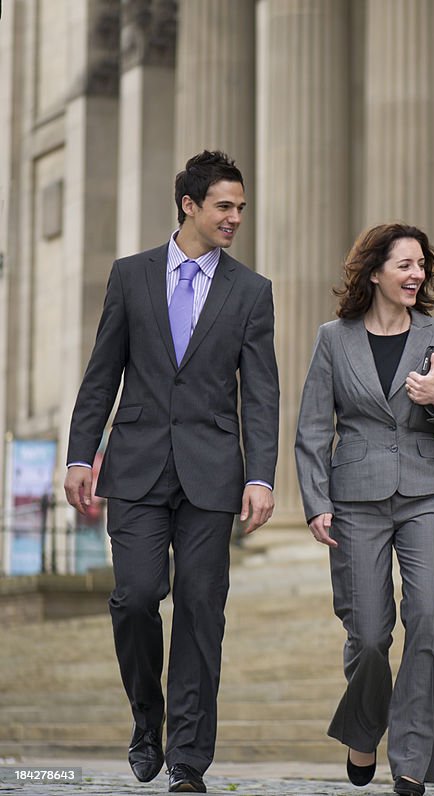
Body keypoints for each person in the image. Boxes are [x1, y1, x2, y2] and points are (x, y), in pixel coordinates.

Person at [64, 151, 279, 794]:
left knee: (200, 610)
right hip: (135, 467)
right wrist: (80, 454)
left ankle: (188, 758)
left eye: (241, 207)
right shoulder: (130, 277)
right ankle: (146, 716)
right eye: (224, 206)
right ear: (188, 204)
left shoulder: (251, 290)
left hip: (212, 474)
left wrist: (260, 475)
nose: (235, 218)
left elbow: (261, 394)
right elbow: (103, 371)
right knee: (134, 598)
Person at [294, 223, 434, 796]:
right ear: (374, 272)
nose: (416, 274)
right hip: (355, 500)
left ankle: (412, 758)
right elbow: (312, 428)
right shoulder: (333, 338)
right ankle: (363, 726)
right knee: (369, 634)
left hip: (426, 493)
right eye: (405, 265)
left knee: (427, 617)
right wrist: (316, 502)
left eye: (422, 265)